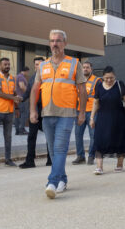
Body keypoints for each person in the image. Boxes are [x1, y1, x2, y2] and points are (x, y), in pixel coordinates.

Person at [30, 30, 86, 198]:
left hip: (66, 113)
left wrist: (82, 112)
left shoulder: (75, 64)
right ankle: (62, 179)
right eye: (52, 41)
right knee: (53, 151)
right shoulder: (43, 65)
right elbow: (34, 89)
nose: (55, 44)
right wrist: (33, 110)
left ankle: (52, 182)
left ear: (65, 44)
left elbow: (82, 90)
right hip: (47, 113)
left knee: (60, 149)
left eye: (58, 41)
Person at [89, 66, 125, 174]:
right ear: (103, 77)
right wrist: (91, 118)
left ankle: (119, 164)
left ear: (115, 76)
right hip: (103, 118)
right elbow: (96, 103)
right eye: (106, 78)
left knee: (120, 139)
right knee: (99, 140)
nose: (109, 80)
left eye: (111, 78)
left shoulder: (119, 84)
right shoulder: (99, 86)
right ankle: (99, 167)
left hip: (119, 117)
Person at [19, 57, 49, 168]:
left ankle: (51, 160)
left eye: (40, 64)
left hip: (47, 112)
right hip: (35, 112)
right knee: (31, 136)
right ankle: (30, 161)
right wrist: (20, 98)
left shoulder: (48, 78)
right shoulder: (32, 79)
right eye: (36, 64)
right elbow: (27, 92)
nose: (38, 66)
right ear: (34, 66)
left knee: (49, 137)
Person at [74, 60, 99, 164]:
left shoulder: (97, 80)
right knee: (77, 134)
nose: (85, 69)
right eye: (83, 67)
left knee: (93, 135)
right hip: (80, 111)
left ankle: (91, 156)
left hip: (92, 112)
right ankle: (80, 156)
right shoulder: (77, 80)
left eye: (87, 67)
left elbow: (99, 97)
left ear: (91, 69)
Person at [14, 65, 30, 135]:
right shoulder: (21, 77)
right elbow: (22, 86)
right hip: (21, 99)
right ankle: (21, 129)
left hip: (17, 98)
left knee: (18, 115)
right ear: (26, 71)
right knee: (24, 114)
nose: (28, 74)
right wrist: (29, 93)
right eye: (28, 72)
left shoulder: (18, 76)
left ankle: (18, 130)